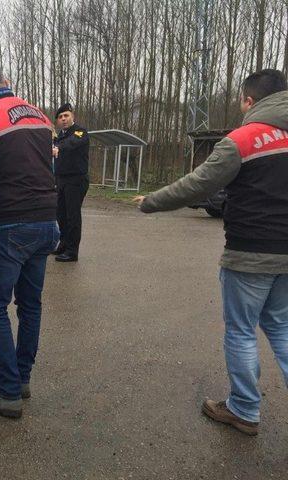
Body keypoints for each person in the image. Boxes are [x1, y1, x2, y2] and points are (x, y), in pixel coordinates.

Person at [134, 69, 288, 436]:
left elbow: (197, 184)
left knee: (240, 332)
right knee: (282, 330)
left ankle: (244, 410)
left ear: (250, 101)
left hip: (249, 253)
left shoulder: (244, 139)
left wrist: (150, 202)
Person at [0, 61, 58, 418]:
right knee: (30, 305)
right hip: (46, 222)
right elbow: (49, 172)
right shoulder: (40, 117)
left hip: (11, 228)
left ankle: (6, 392)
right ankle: (20, 379)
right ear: (6, 82)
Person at [52, 103, 90, 262]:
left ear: (72, 116)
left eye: (66, 115)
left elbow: (72, 143)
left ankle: (72, 251)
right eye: (60, 117)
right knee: (60, 213)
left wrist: (58, 147)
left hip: (76, 180)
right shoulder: (60, 135)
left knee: (72, 215)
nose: (63, 119)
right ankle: (64, 243)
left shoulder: (80, 132)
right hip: (61, 179)